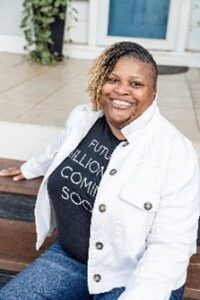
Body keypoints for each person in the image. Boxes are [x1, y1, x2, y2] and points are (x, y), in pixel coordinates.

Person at [0, 41, 199, 300]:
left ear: (154, 92)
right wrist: (31, 167)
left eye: (136, 84)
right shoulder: (82, 119)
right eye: (112, 79)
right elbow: (58, 149)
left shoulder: (176, 152)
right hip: (73, 258)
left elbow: (171, 247)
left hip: (135, 275)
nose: (121, 90)